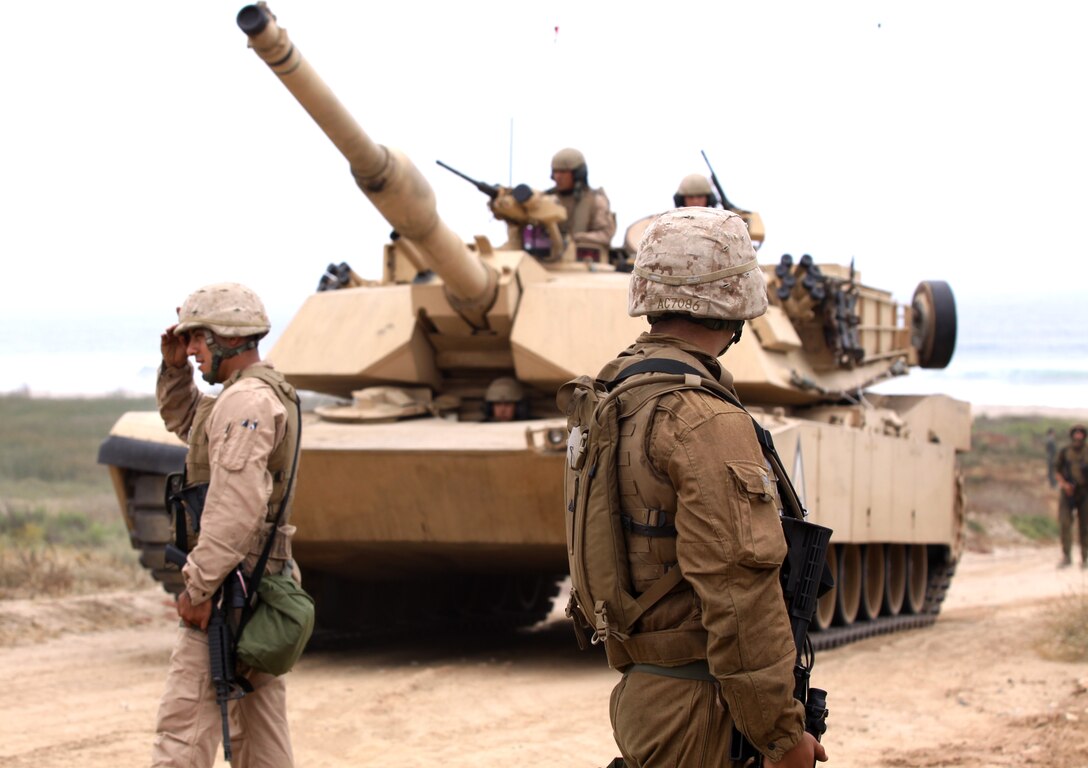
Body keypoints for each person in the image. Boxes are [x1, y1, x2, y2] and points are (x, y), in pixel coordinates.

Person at [587, 208, 827, 767]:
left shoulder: (614, 399)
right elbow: (739, 590)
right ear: (736, 301)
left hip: (646, 692)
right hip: (706, 709)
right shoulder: (702, 419)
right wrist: (782, 734)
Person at [153, 282, 301, 767]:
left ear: (228, 338)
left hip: (228, 589)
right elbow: (192, 424)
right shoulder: (252, 395)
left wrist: (198, 589)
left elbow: (234, 508)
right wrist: (175, 369)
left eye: (198, 338)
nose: (192, 349)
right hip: (255, 581)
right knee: (260, 735)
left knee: (184, 729)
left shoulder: (245, 403)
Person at [547, 147, 617, 259]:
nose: (558, 177)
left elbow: (605, 235)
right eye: (555, 172)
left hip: (584, 264)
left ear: (578, 174)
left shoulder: (595, 200)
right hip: (545, 261)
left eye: (563, 172)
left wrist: (576, 238)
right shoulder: (547, 200)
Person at [1054, 424, 1088, 569]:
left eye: (1081, 434)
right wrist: (1064, 484)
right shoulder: (1065, 452)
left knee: (1085, 526)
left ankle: (1085, 557)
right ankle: (1066, 556)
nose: (1078, 436)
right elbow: (1057, 470)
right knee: (1065, 524)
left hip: (1085, 492)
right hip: (1068, 492)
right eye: (1076, 433)